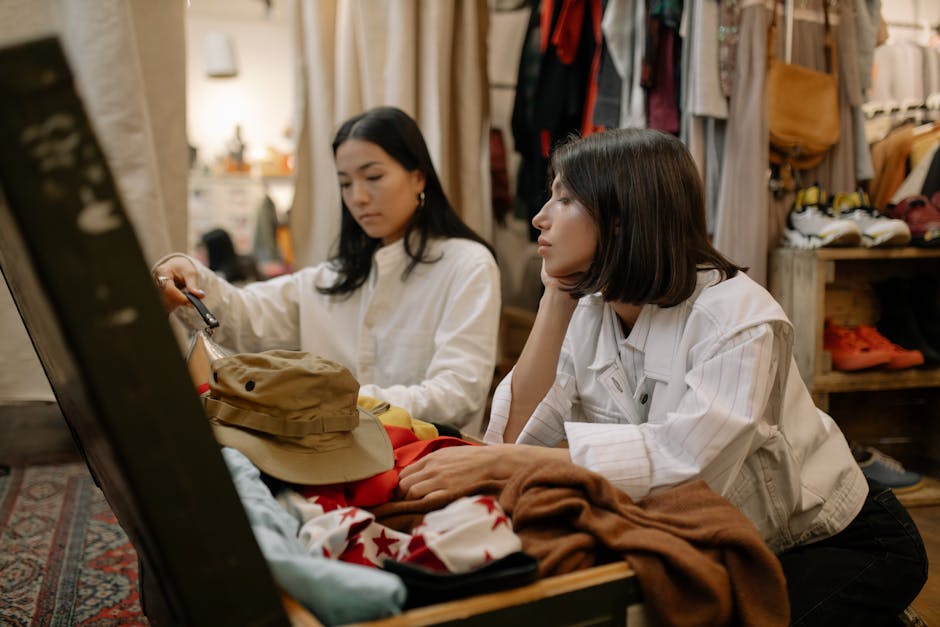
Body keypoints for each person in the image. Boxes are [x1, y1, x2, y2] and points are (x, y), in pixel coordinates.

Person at [397, 128, 927, 624]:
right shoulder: (593, 309)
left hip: (836, 539)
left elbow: (689, 471)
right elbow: (512, 437)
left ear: (624, 217)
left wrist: (507, 461)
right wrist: (557, 297)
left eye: (563, 199)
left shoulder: (738, 318)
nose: (539, 217)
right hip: (725, 538)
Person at [153, 106, 501, 435]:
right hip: (331, 458)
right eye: (346, 184)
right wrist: (190, 277)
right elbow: (246, 315)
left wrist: (339, 402)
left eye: (374, 177)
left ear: (418, 178)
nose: (358, 198)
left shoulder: (467, 265)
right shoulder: (334, 277)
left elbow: (458, 393)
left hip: (429, 462)